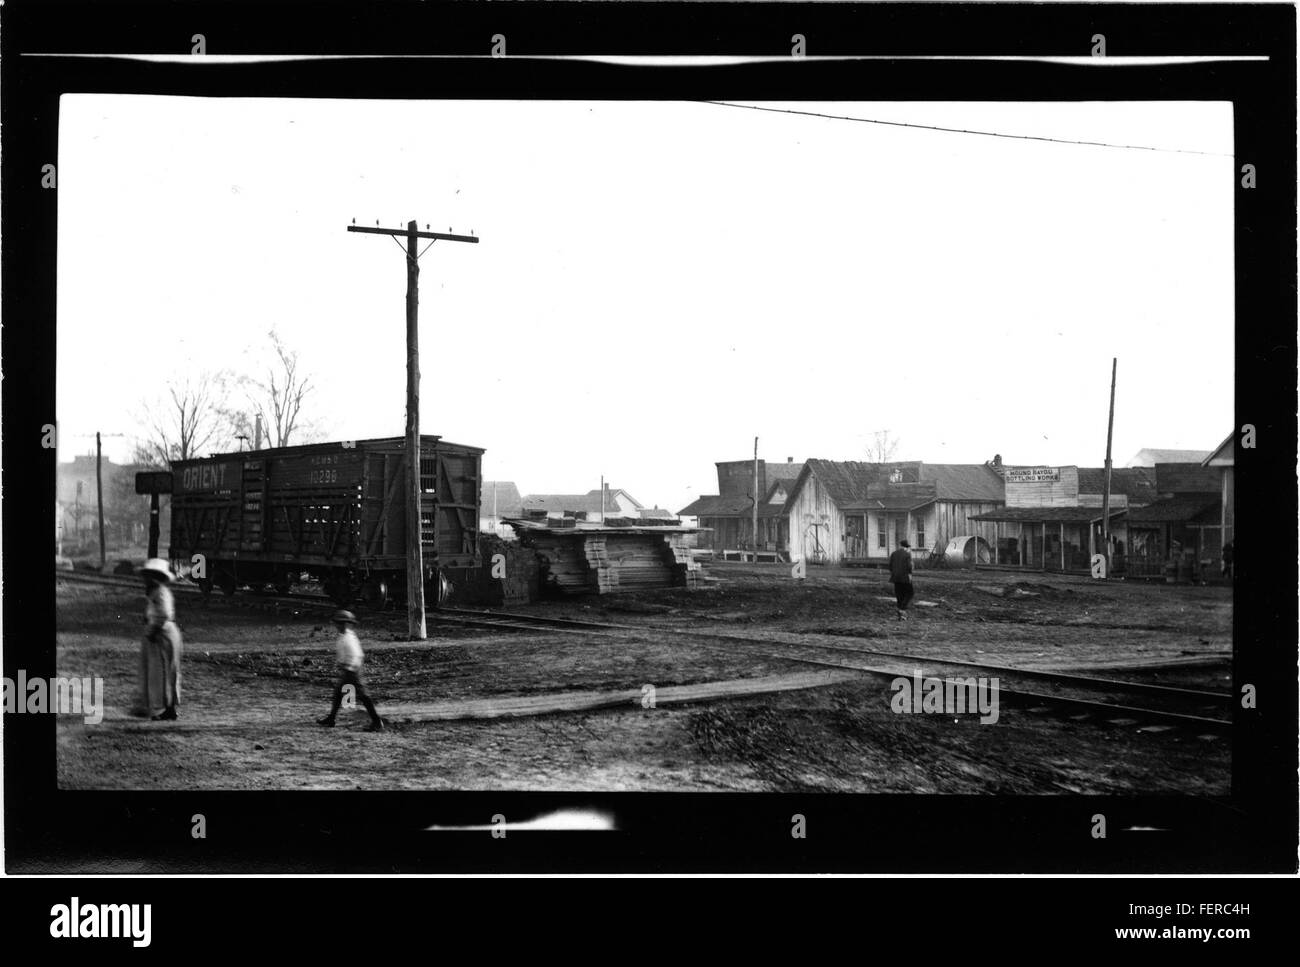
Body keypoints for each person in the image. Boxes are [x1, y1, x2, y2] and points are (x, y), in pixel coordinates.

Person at [317, 611, 384, 732]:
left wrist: (349, 668)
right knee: (339, 693)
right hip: (349, 670)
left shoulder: (348, 638)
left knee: (363, 697)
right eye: (338, 623)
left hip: (352, 671)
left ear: (347, 624)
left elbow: (357, 655)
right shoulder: (344, 636)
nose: (338, 626)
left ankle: (377, 722)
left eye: (341, 623)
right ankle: (331, 718)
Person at [137, 558, 182, 721]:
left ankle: (168, 708)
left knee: (164, 671)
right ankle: (167, 707)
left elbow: (164, 614)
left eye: (149, 575)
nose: (146, 579)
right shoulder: (155, 592)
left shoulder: (160, 592)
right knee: (162, 671)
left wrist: (153, 629)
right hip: (160, 633)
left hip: (163, 633)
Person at [889, 539, 914, 621]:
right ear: (906, 547)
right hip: (905, 577)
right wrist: (910, 574)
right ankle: (902, 609)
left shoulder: (893, 553)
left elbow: (890, 566)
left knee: (899, 595)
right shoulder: (907, 554)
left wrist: (895, 573)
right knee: (910, 593)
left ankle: (900, 613)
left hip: (895, 577)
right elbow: (909, 566)